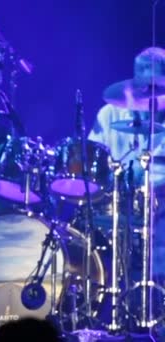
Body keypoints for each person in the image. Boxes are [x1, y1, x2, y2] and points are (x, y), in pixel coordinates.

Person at [87, 47, 165, 296]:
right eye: (144, 87)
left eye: (158, 89)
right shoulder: (109, 114)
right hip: (116, 203)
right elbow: (93, 161)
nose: (149, 94)